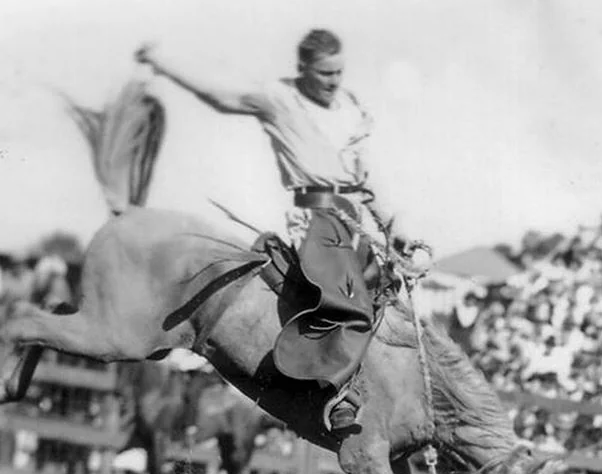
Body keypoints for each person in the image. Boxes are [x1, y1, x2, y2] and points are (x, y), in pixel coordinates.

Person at [135, 28, 409, 434]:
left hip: (356, 219)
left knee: (391, 298)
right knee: (351, 305)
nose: (334, 81)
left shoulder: (350, 109)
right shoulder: (280, 99)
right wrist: (162, 63)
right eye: (325, 73)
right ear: (303, 69)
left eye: (339, 72)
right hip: (317, 219)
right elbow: (220, 96)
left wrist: (392, 226)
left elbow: (366, 174)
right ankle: (335, 397)